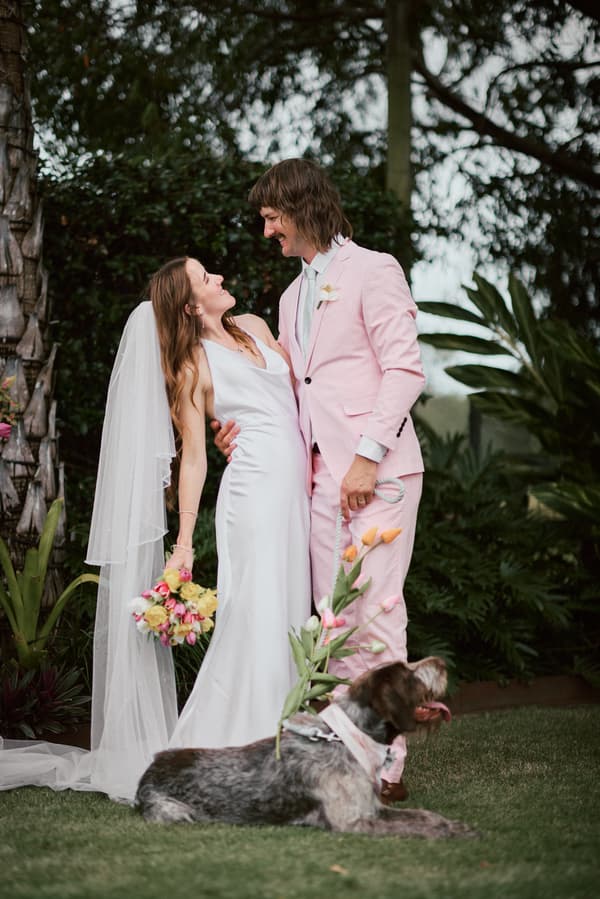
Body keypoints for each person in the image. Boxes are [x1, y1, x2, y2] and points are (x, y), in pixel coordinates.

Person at [0, 256, 310, 802]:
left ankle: (287, 733)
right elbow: (194, 459)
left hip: (300, 495)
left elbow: (302, 400)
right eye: (204, 277)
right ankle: (242, 748)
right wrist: (185, 543)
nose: (218, 276)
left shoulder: (259, 328)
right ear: (191, 304)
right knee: (255, 619)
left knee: (290, 612)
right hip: (254, 498)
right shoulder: (193, 365)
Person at [214, 159, 425, 803]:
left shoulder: (374, 269)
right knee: (333, 622)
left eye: (272, 217)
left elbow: (405, 369)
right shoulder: (290, 296)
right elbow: (290, 390)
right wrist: (241, 431)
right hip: (316, 480)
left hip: (379, 471)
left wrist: (365, 455)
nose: (267, 230)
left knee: (379, 612)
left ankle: (390, 761)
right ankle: (347, 750)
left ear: (302, 207)